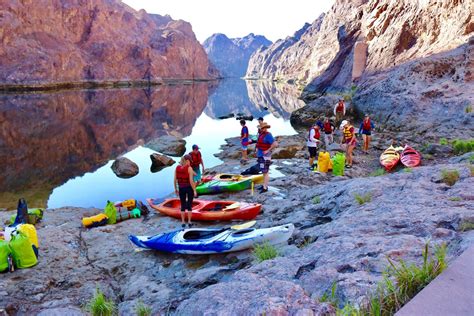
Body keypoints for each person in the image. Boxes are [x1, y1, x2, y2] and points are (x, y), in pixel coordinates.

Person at [174, 155, 197, 228]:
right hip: (189, 188)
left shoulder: (177, 168)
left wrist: (176, 189)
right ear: (187, 161)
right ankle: (189, 222)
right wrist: (194, 190)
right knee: (189, 205)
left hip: (181, 188)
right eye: (190, 161)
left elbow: (174, 180)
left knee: (183, 205)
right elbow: (191, 181)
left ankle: (183, 222)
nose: (190, 163)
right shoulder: (189, 168)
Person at [255, 122, 278, 193]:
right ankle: (264, 185)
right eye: (262, 128)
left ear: (266, 128)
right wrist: (256, 150)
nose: (263, 129)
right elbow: (258, 144)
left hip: (265, 156)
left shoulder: (268, 135)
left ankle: (265, 187)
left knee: (266, 171)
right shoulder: (261, 134)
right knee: (263, 171)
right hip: (261, 155)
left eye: (264, 128)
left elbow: (275, 144)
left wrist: (268, 150)